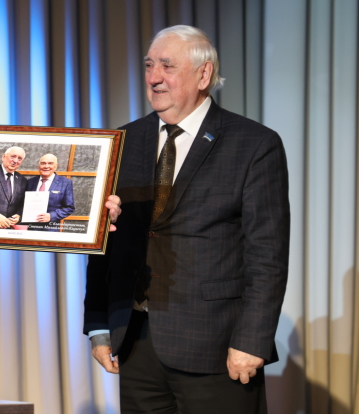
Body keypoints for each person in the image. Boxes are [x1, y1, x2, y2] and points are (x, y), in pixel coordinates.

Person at [84, 25, 290, 413]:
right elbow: (101, 240)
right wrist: (98, 324)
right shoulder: (122, 141)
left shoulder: (254, 144)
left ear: (203, 74)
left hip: (217, 346)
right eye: (149, 65)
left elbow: (268, 256)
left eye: (167, 66)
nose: (154, 77)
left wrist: (252, 340)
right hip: (136, 343)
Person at [25, 154, 75, 231]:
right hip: (30, 228)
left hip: (50, 229)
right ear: (39, 166)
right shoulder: (30, 182)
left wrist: (52, 216)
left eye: (50, 163)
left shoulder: (65, 183)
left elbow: (69, 207)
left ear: (56, 166)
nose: (46, 166)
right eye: (43, 163)